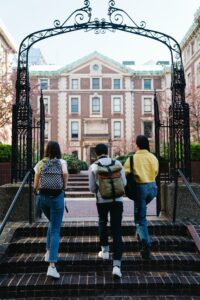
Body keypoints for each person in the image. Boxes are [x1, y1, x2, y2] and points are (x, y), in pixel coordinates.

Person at [89, 143, 126, 278]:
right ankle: (117, 266)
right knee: (117, 229)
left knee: (102, 222)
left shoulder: (93, 166)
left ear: (96, 153)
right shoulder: (118, 163)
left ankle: (104, 250)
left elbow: (92, 188)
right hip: (118, 200)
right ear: (107, 151)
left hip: (102, 200)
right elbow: (124, 183)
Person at [34, 140, 68, 279]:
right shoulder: (61, 162)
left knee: (52, 223)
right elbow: (65, 174)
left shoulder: (41, 163)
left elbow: (36, 180)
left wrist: (36, 190)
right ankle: (52, 266)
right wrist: (63, 187)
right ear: (58, 150)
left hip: (43, 197)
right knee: (55, 229)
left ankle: (48, 251)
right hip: (56, 197)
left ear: (46, 150)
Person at [124, 135, 159, 259]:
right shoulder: (153, 157)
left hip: (140, 188)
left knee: (140, 219)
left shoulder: (132, 159)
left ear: (137, 144)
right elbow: (156, 172)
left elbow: (125, 174)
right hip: (153, 189)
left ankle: (146, 243)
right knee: (139, 209)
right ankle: (139, 233)